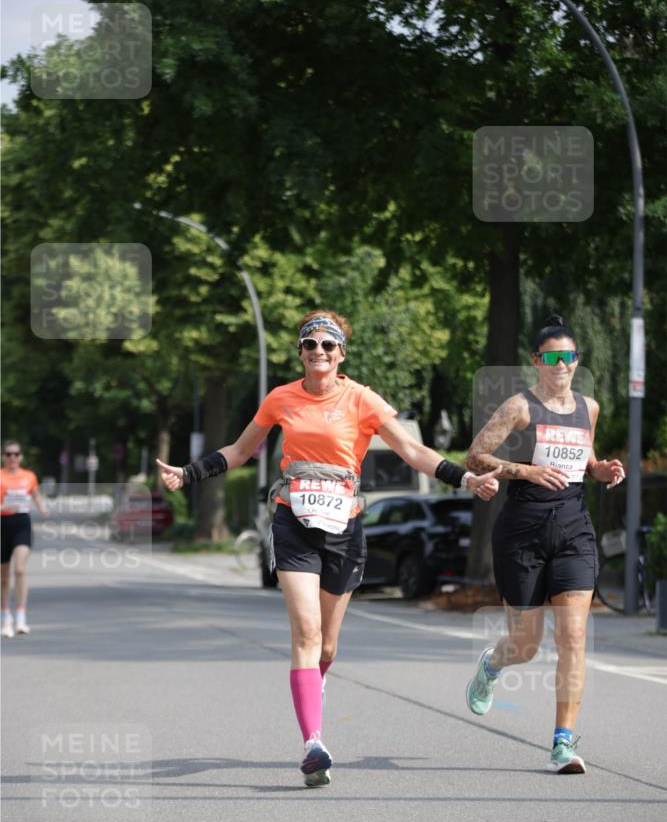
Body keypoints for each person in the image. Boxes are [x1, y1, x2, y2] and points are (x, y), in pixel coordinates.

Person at [157, 310, 500, 787]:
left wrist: (464, 477)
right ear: (300, 352)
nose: (319, 351)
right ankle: (312, 743)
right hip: (292, 519)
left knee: (328, 644)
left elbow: (412, 452)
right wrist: (187, 473)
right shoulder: (281, 398)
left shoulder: (361, 399)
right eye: (310, 344)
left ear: (342, 353)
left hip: (344, 527)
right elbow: (240, 451)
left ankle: (313, 692)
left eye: (328, 345)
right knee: (305, 632)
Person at [465, 315, 625, 774]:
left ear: (577, 361)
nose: (562, 365)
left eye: (569, 357)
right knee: (527, 643)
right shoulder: (520, 407)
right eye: (553, 357)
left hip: (574, 527)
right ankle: (493, 665)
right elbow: (476, 455)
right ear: (536, 361)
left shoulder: (588, 408)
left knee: (574, 636)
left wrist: (602, 470)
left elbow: (586, 460)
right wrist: (525, 471)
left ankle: (562, 743)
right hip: (523, 530)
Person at [1, 440, 50, 638]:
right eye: (9, 454)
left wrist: (43, 508)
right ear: (3, 456)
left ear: (21, 456)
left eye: (16, 454)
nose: (13, 457)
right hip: (2, 523)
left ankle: (21, 617)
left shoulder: (28, 476)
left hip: (22, 524)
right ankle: (6, 618)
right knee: (4, 578)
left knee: (20, 569)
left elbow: (35, 495)